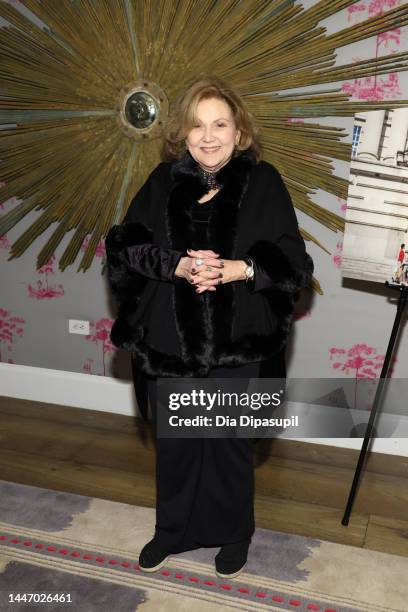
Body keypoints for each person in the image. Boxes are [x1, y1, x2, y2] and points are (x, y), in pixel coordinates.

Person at [105, 76, 314, 579]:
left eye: (220, 123)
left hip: (239, 344)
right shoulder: (161, 182)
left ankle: (232, 533)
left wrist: (237, 269)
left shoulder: (264, 182)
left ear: (239, 131)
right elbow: (123, 248)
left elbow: (295, 264)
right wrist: (174, 264)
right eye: (197, 125)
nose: (208, 135)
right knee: (176, 445)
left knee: (227, 445)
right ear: (183, 133)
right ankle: (171, 531)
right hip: (169, 342)